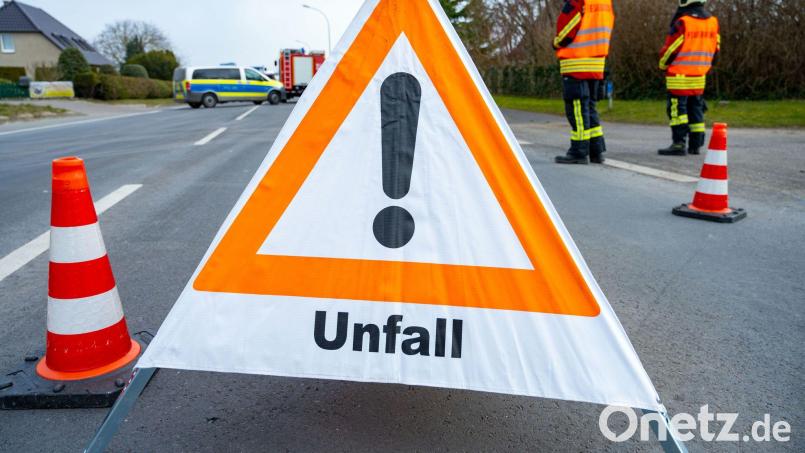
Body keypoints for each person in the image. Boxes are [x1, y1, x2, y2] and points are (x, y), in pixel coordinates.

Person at [553, 0, 615, 165]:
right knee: (590, 108)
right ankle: (596, 151)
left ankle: (578, 151)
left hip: (576, 62)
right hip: (596, 64)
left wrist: (556, 42)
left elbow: (568, 28)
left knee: (577, 110)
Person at [657, 0, 720, 156]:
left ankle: (679, 144)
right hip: (699, 75)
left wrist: (662, 65)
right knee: (696, 108)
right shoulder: (713, 22)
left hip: (679, 75)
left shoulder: (683, 22)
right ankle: (695, 145)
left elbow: (671, 49)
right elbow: (716, 50)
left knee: (678, 111)